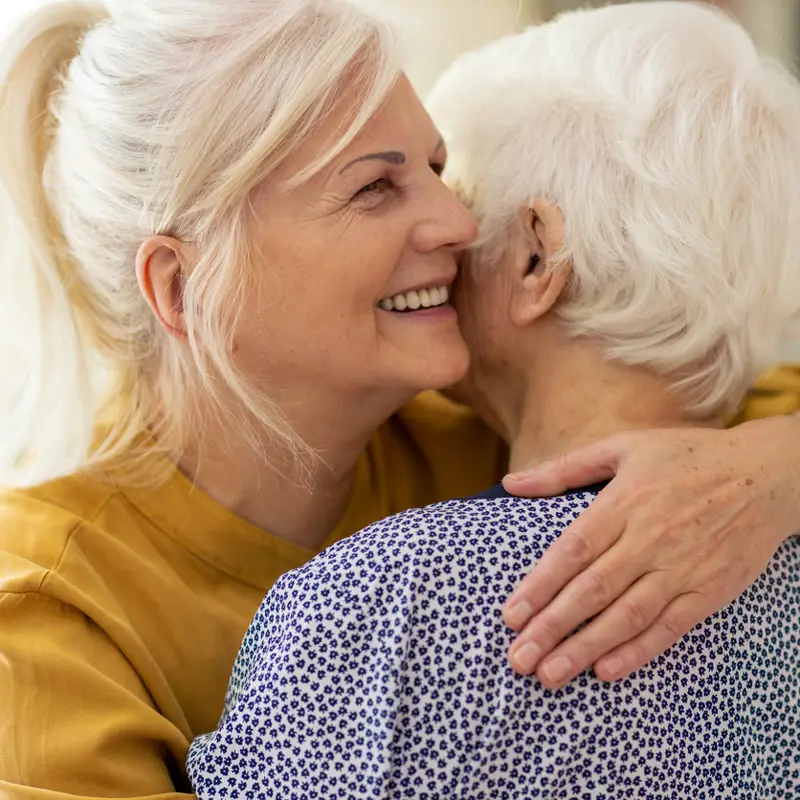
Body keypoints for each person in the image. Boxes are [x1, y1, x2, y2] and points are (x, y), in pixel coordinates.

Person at [0, 0, 799, 797]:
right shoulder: (45, 616)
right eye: (376, 187)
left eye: (439, 168)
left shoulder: (511, 432)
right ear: (183, 285)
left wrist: (767, 472)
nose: (457, 221)